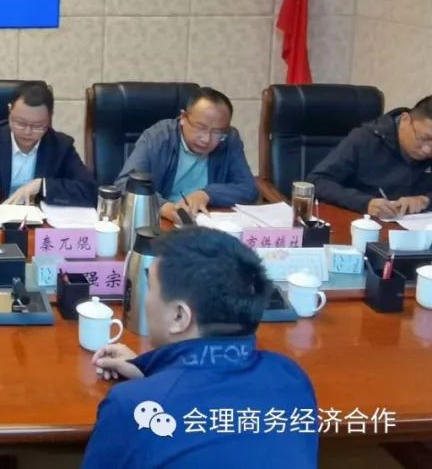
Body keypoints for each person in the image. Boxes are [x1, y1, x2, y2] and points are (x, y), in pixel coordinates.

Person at [81, 228, 318, 468]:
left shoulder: (132, 407)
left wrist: (150, 389)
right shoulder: (292, 378)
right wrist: (154, 376)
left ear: (179, 316)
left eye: (150, 286)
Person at [115, 87, 257, 223]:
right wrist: (164, 207)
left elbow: (248, 189)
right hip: (161, 223)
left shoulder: (230, 140)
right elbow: (124, 185)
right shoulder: (158, 137)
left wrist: (207, 194)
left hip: (207, 222)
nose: (206, 139)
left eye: (217, 132)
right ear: (183, 117)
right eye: (200, 128)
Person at [0, 80, 96, 207]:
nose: (28, 132)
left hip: (38, 225)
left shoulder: (61, 146)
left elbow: (89, 190)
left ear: (50, 118)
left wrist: (42, 186)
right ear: (10, 110)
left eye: (38, 126)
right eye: (20, 123)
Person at [309, 95, 432, 218]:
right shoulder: (365, 139)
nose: (427, 150)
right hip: (357, 222)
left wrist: (426, 200)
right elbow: (317, 181)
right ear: (405, 120)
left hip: (413, 226)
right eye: (423, 138)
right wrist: (365, 203)